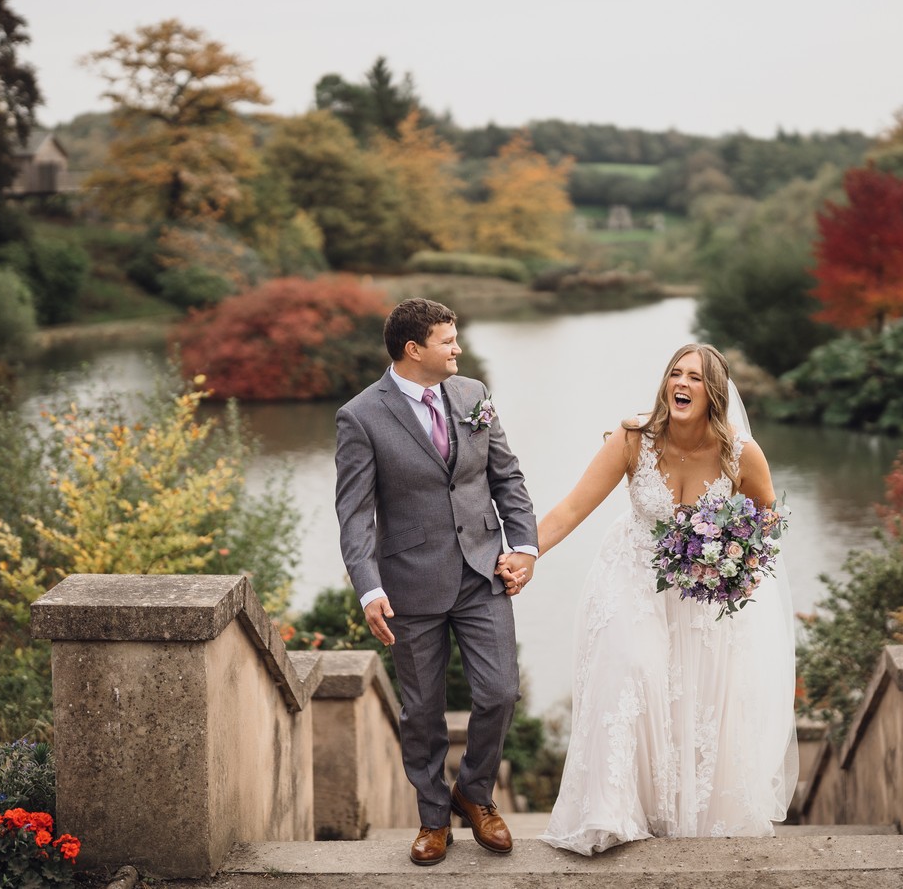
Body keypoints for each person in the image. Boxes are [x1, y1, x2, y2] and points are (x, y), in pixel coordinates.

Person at [497, 342, 798, 855]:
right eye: (675, 374)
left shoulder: (740, 453)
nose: (682, 384)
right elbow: (572, 507)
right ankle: (610, 813)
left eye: (696, 378)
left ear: (715, 394)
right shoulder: (633, 438)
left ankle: (684, 818)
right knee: (630, 672)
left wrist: (730, 559)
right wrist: (526, 553)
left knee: (694, 701)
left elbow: (767, 520)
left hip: (702, 596)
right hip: (631, 579)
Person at [335, 298, 540, 866]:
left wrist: (523, 546)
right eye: (448, 340)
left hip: (482, 571)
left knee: (500, 691)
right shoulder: (360, 416)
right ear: (413, 349)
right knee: (422, 712)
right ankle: (432, 819)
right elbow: (354, 515)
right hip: (410, 584)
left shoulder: (473, 395)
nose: (458, 349)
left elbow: (507, 475)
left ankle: (473, 795)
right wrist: (369, 587)